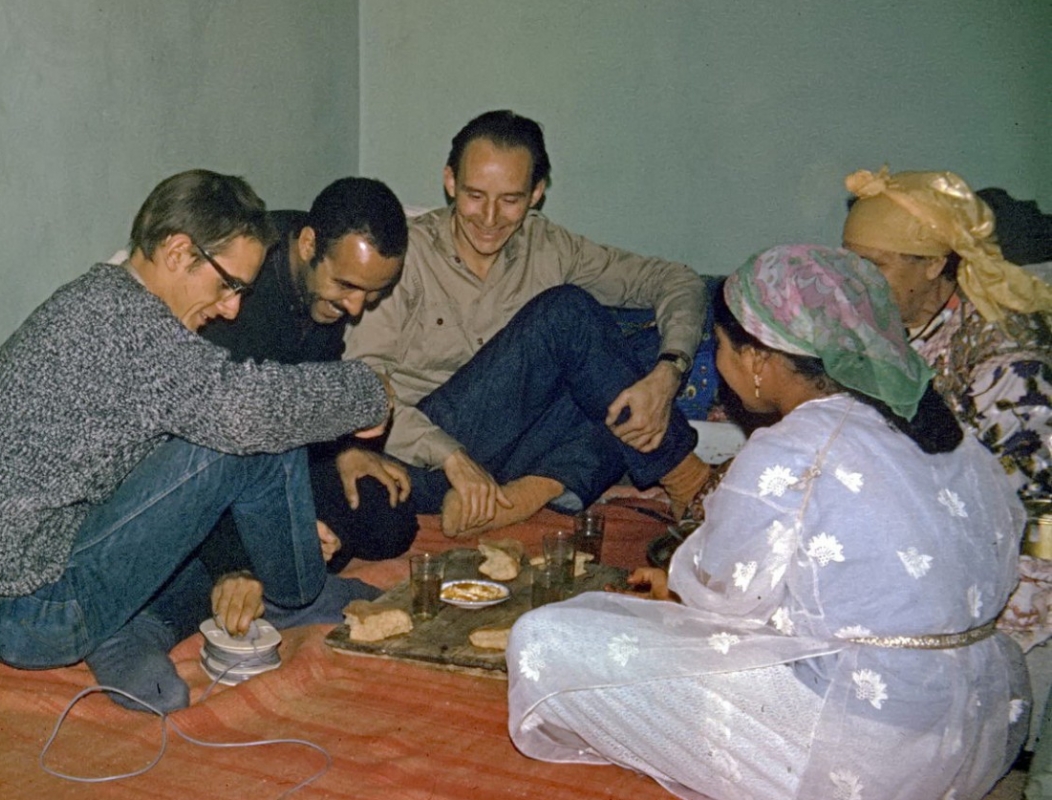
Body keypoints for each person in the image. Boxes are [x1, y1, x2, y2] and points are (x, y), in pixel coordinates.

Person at [507, 244, 1030, 799]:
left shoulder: (795, 446)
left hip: (867, 749)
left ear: (757, 359)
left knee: (546, 640)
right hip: (972, 721)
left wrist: (680, 589)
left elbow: (726, 600)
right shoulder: (939, 425)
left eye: (721, 348)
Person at [0, 169, 392, 714]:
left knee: (218, 515)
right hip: (34, 609)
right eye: (228, 284)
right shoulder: (132, 329)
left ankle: (134, 626)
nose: (232, 308)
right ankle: (298, 596)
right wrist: (369, 391)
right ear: (177, 251)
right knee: (256, 431)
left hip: (1, 582)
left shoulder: (97, 296)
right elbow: (247, 413)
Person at [343, 110, 711, 538]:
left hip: (515, 452)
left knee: (641, 355)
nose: (490, 217)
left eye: (511, 199)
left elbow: (678, 280)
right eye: (475, 195)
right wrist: (452, 456)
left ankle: (523, 496)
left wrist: (670, 372)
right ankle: (690, 480)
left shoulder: (549, 246)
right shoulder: (406, 258)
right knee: (567, 314)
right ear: (449, 182)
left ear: (536, 193)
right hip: (427, 460)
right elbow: (360, 393)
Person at [201, 176, 417, 574]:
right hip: (219, 466)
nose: (356, 308)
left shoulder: (325, 280)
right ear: (307, 245)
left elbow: (321, 378)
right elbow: (216, 442)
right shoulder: (243, 288)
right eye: (346, 286)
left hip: (294, 449)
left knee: (389, 520)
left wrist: (345, 451)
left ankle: (302, 547)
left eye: (373, 295)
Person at [843, 167, 1052, 499]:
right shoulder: (869, 324)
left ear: (933, 264)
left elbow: (1018, 493)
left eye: (873, 265)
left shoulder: (1006, 358)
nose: (853, 280)